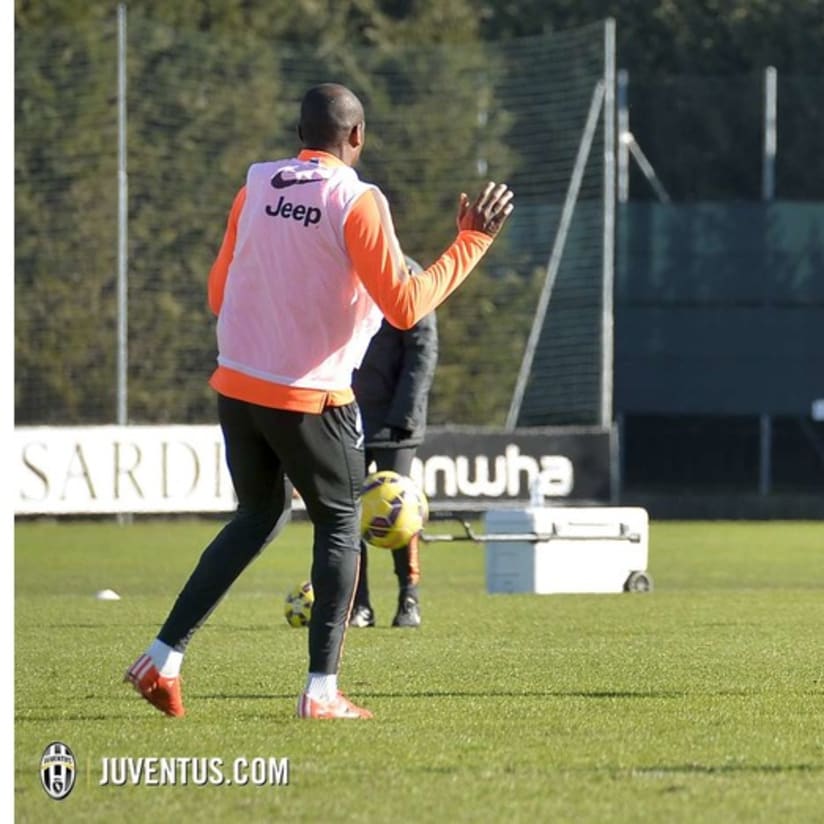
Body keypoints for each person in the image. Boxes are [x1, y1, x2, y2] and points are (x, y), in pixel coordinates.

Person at [125, 82, 514, 721]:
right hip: (310, 397)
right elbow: (406, 306)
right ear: (356, 137)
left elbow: (219, 294)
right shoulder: (355, 200)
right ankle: (321, 692)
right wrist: (471, 243)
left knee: (255, 516)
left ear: (300, 133)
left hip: (237, 386)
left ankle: (163, 657)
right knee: (339, 523)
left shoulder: (256, 186)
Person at [350, 256, 437, 629]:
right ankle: (358, 605)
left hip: (393, 421)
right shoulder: (344, 267)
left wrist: (402, 417)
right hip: (345, 414)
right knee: (347, 514)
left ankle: (409, 597)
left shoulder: (407, 274)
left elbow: (423, 351)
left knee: (399, 510)